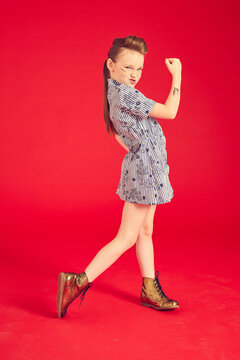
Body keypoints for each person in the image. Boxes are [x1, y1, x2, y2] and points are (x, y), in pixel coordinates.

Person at [56, 35, 182, 318]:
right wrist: (178, 74)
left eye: (139, 69)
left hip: (147, 168)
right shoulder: (126, 94)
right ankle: (74, 284)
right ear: (110, 65)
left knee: (145, 231)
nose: (134, 75)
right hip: (145, 172)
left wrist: (140, 151)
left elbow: (117, 133)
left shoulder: (114, 93)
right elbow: (170, 112)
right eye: (128, 68)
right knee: (126, 237)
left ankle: (149, 290)